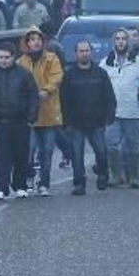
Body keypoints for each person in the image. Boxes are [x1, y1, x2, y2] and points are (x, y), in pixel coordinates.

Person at [60, 40, 117, 195]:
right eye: (81, 51)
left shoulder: (101, 73)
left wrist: (109, 116)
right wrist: (66, 122)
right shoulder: (69, 75)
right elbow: (64, 100)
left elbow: (109, 97)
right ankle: (79, 184)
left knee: (101, 151)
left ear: (91, 52)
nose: (84, 53)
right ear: (76, 53)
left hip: (97, 121)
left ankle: (103, 175)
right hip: (76, 123)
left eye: (86, 50)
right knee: (77, 155)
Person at [0, 42, 38, 200]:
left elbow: (33, 96)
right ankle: (1, 188)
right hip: (1, 122)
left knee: (21, 155)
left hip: (21, 122)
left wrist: (31, 117)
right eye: (1, 57)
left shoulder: (24, 74)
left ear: (13, 57)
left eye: (7, 57)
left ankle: (20, 185)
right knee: (3, 157)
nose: (3, 60)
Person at [102, 29, 139, 189]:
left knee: (133, 145)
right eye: (117, 39)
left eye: (124, 39)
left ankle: (133, 177)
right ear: (114, 42)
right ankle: (115, 176)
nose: (121, 42)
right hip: (113, 112)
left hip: (134, 111)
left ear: (129, 42)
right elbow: (98, 81)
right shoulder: (106, 62)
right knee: (111, 144)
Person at [18, 28, 65, 196]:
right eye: (32, 39)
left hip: (49, 112)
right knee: (28, 149)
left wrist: (47, 90)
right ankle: (29, 178)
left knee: (47, 151)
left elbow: (57, 77)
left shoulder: (52, 58)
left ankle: (44, 183)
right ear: (27, 43)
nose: (35, 42)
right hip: (29, 115)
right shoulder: (21, 62)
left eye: (38, 38)